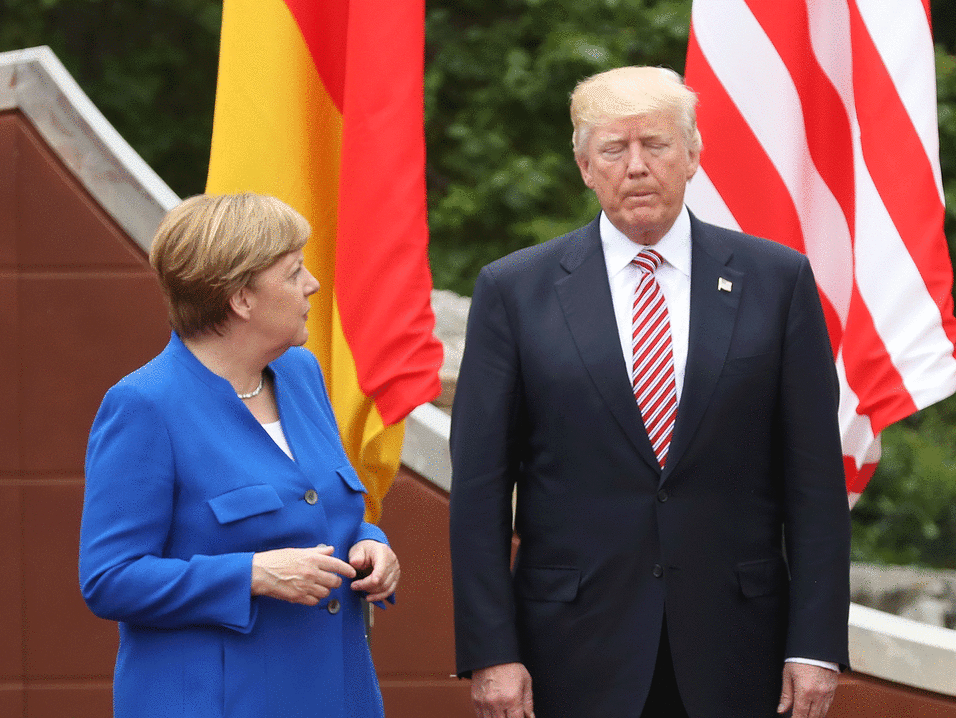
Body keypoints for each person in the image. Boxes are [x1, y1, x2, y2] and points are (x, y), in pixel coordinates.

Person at [449, 66, 851, 718]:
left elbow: (815, 485)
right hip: (571, 650)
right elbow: (478, 491)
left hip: (739, 650)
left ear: (692, 156)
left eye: (656, 145)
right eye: (614, 148)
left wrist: (816, 645)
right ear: (584, 166)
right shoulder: (514, 292)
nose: (636, 166)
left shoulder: (777, 282)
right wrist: (491, 650)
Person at [80, 193, 399, 718]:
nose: (312, 285)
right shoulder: (144, 406)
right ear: (240, 299)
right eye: (293, 272)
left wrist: (370, 543)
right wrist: (251, 573)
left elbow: (322, 504)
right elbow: (109, 579)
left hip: (339, 695)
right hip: (218, 702)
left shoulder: (300, 373)